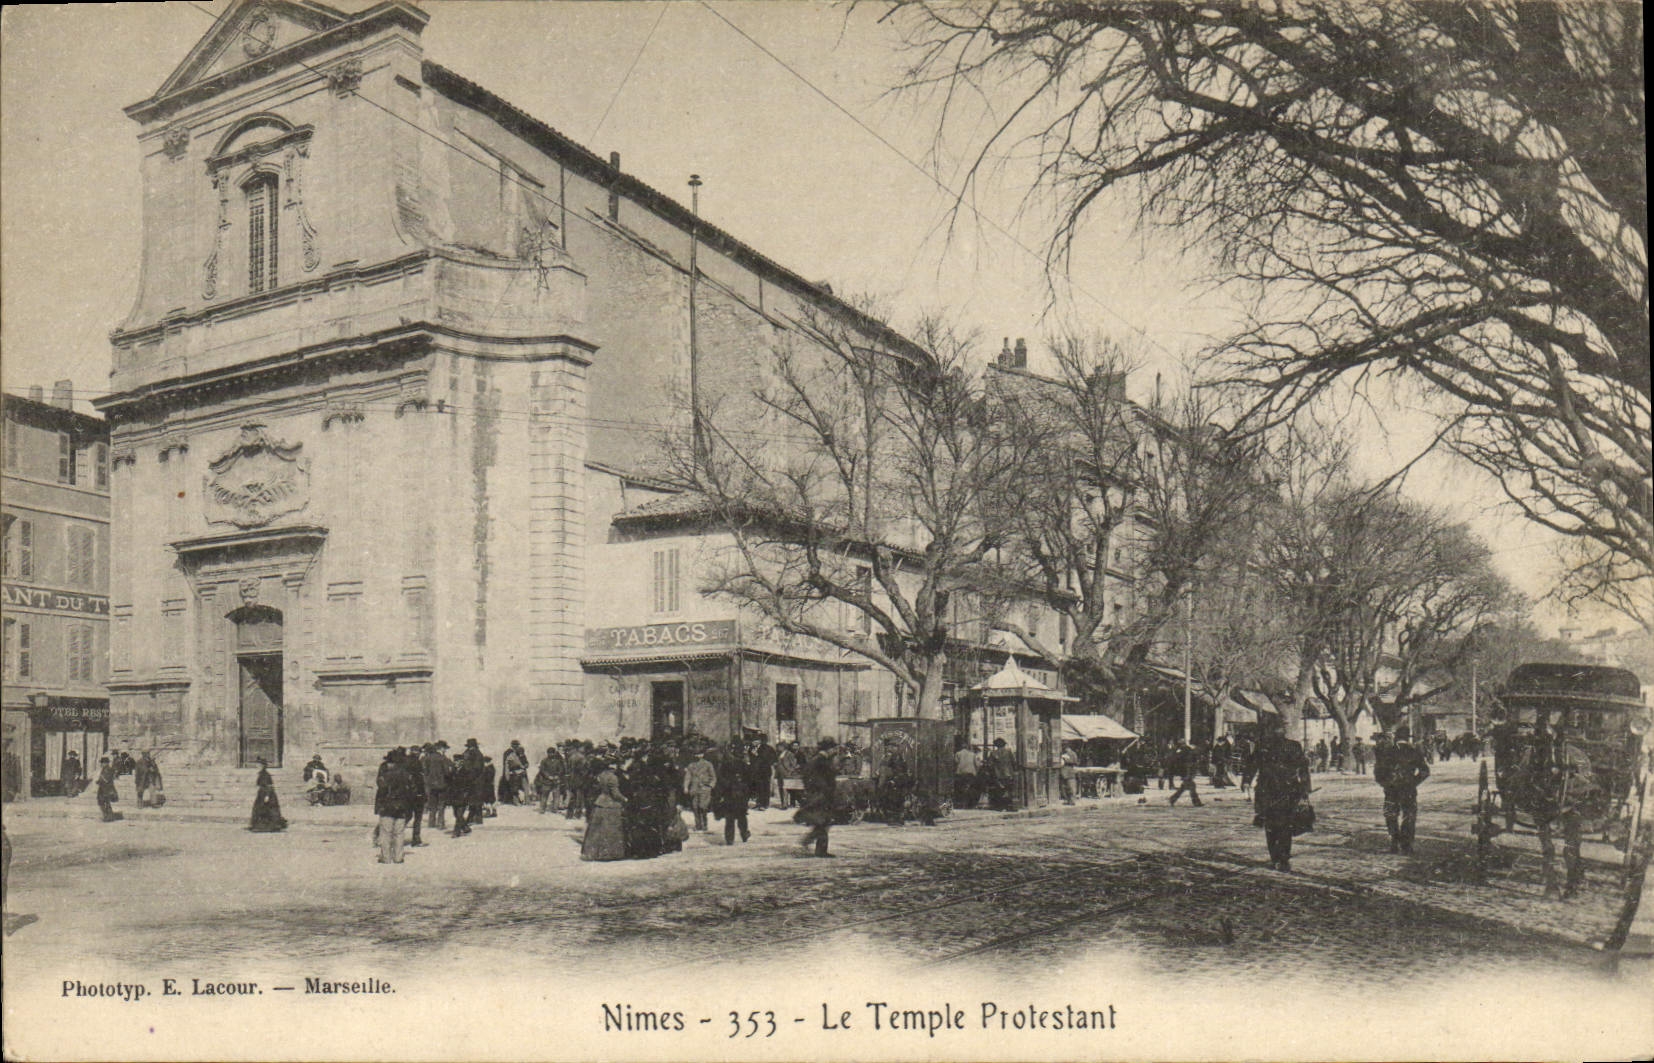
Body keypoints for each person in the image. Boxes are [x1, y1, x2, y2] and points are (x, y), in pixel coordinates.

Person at [1536, 721, 1595, 900]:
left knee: (1572, 844)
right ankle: (1552, 882)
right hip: (1547, 798)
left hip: (1572, 801)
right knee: (1547, 844)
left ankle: (1572, 882)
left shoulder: (1578, 758)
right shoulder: (1539, 758)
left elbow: (1586, 781)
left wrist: (1573, 780)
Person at [1251, 721, 1311, 872]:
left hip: (1278, 791)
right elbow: (1252, 764)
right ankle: (1279, 858)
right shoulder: (1267, 746)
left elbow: (1303, 767)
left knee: (1277, 826)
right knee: (1278, 826)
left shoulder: (1287, 746)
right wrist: (1305, 788)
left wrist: (1305, 788)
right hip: (1277, 791)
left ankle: (1280, 858)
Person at [1373, 730, 1430, 854]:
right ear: (1407, 739)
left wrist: (1385, 783)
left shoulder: (1387, 752)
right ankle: (1407, 845)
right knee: (1409, 815)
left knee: (1390, 814)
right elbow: (1425, 772)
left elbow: (1378, 772)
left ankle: (1394, 841)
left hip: (1391, 790)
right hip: (1408, 789)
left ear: (1395, 738)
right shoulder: (1414, 751)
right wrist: (1413, 782)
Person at [375, 749, 418, 864]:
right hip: (402, 807)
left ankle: (386, 857)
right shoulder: (407, 776)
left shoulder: (385, 776)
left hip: (387, 807)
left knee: (386, 833)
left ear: (392, 763)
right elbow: (413, 791)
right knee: (399, 833)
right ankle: (398, 857)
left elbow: (381, 790)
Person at [581, 756, 627, 861]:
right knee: (611, 830)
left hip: (600, 802)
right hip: (611, 805)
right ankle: (610, 853)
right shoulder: (613, 777)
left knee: (597, 830)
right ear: (614, 765)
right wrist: (624, 799)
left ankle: (593, 853)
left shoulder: (601, 775)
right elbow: (615, 794)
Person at [799, 737, 838, 857]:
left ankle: (812, 842)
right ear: (828, 749)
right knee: (824, 821)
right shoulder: (822, 761)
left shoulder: (815, 759)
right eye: (833, 748)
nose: (835, 750)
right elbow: (826, 779)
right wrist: (823, 789)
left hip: (818, 794)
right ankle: (819, 849)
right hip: (822, 795)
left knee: (823, 822)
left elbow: (805, 776)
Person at [713, 741, 751, 845]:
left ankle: (730, 839)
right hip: (737, 794)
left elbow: (721, 779)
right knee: (740, 816)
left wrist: (722, 791)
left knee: (731, 817)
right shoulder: (742, 765)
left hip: (732, 793)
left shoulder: (726, 765)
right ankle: (743, 834)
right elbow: (749, 780)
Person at [683, 747, 716, 832]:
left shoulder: (708, 764)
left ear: (703, 755)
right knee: (695, 807)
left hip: (704, 788)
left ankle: (704, 824)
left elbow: (713, 777)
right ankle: (698, 825)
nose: (698, 756)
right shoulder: (691, 765)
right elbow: (688, 777)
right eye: (696, 754)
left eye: (700, 754)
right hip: (694, 788)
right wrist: (686, 787)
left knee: (702, 806)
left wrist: (710, 786)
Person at [249, 758, 287, 832]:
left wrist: (267, 796)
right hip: (262, 793)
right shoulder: (261, 773)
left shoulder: (265, 774)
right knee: (259, 809)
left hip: (266, 794)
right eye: (257, 764)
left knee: (266, 809)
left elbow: (269, 786)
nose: (257, 766)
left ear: (263, 766)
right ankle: (258, 825)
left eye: (259, 765)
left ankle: (266, 826)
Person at [422, 742, 450, 829]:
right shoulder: (442, 758)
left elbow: (425, 771)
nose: (445, 750)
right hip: (442, 784)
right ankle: (440, 823)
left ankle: (431, 823)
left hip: (431, 785)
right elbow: (447, 772)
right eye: (445, 748)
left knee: (432, 804)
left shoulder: (427, 758)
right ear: (441, 748)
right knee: (441, 804)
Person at [1168, 741, 1203, 807]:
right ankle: (1196, 802)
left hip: (1187, 772)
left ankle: (1173, 799)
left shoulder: (1186, 750)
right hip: (1187, 772)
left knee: (1185, 787)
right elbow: (1188, 763)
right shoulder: (1188, 751)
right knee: (1191, 786)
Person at [749, 736, 778, 811]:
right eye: (752, 741)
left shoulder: (767, 748)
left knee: (765, 787)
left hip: (764, 771)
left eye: (754, 741)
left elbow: (769, 759)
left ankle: (764, 804)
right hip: (755, 771)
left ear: (759, 741)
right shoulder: (751, 748)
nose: (753, 743)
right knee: (758, 787)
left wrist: (756, 755)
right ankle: (758, 803)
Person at [536, 746, 564, 815]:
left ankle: (555, 809)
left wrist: (557, 776)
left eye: (552, 753)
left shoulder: (558, 761)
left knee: (556, 796)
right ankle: (542, 809)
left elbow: (561, 770)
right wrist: (548, 776)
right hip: (546, 781)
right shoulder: (544, 761)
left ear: (554, 753)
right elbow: (542, 770)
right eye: (549, 753)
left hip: (556, 781)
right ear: (547, 753)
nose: (551, 754)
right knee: (544, 796)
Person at [94, 756, 123, 822]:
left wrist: (99, 781)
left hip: (106, 788)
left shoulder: (108, 769)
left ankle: (108, 817)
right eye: (101, 763)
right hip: (103, 788)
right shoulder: (105, 769)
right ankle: (108, 816)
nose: (101, 764)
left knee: (104, 802)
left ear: (106, 763)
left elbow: (106, 779)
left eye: (103, 763)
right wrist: (99, 781)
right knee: (104, 802)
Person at [953, 739, 980, 809]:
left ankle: (961, 804)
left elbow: (955, 763)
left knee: (961, 788)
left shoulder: (958, 753)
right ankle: (970, 804)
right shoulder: (973, 754)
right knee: (970, 788)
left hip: (960, 773)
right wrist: (976, 772)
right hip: (970, 774)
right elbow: (977, 765)